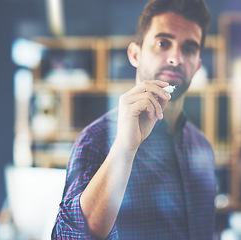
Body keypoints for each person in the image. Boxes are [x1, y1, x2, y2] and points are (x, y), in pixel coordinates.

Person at [52, 0, 216, 239]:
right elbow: (66, 237)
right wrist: (125, 148)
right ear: (135, 54)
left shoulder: (201, 146)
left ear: (197, 65)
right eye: (163, 43)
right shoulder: (95, 140)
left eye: (189, 49)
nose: (176, 58)